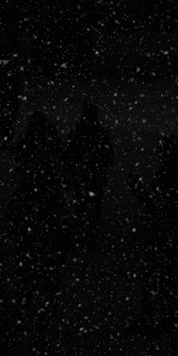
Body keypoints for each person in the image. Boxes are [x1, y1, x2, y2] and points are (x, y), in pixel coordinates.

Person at [64, 101, 114, 249]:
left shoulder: (78, 133)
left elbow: (70, 156)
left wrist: (71, 174)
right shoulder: (100, 134)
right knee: (92, 208)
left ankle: (83, 234)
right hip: (94, 177)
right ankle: (89, 235)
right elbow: (109, 156)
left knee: (82, 206)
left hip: (83, 176)